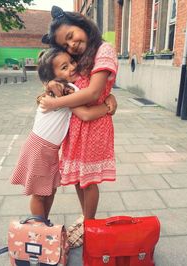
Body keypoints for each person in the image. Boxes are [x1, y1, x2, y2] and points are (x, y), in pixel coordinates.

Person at [10, 47, 117, 221]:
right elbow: (86, 113)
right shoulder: (65, 89)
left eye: (72, 62)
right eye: (64, 67)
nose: (72, 67)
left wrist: (109, 95)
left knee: (48, 190)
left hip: (49, 149)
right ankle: (40, 230)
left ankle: (44, 224)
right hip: (39, 148)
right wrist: (107, 106)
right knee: (39, 194)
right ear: (53, 76)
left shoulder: (63, 87)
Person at [40, 6, 118, 225]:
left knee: (89, 181)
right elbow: (63, 78)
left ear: (81, 24)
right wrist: (52, 84)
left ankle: (90, 224)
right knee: (77, 179)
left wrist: (56, 103)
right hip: (75, 129)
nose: (71, 45)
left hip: (93, 125)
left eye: (71, 36)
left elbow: (93, 92)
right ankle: (86, 218)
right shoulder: (81, 56)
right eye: (65, 44)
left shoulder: (104, 49)